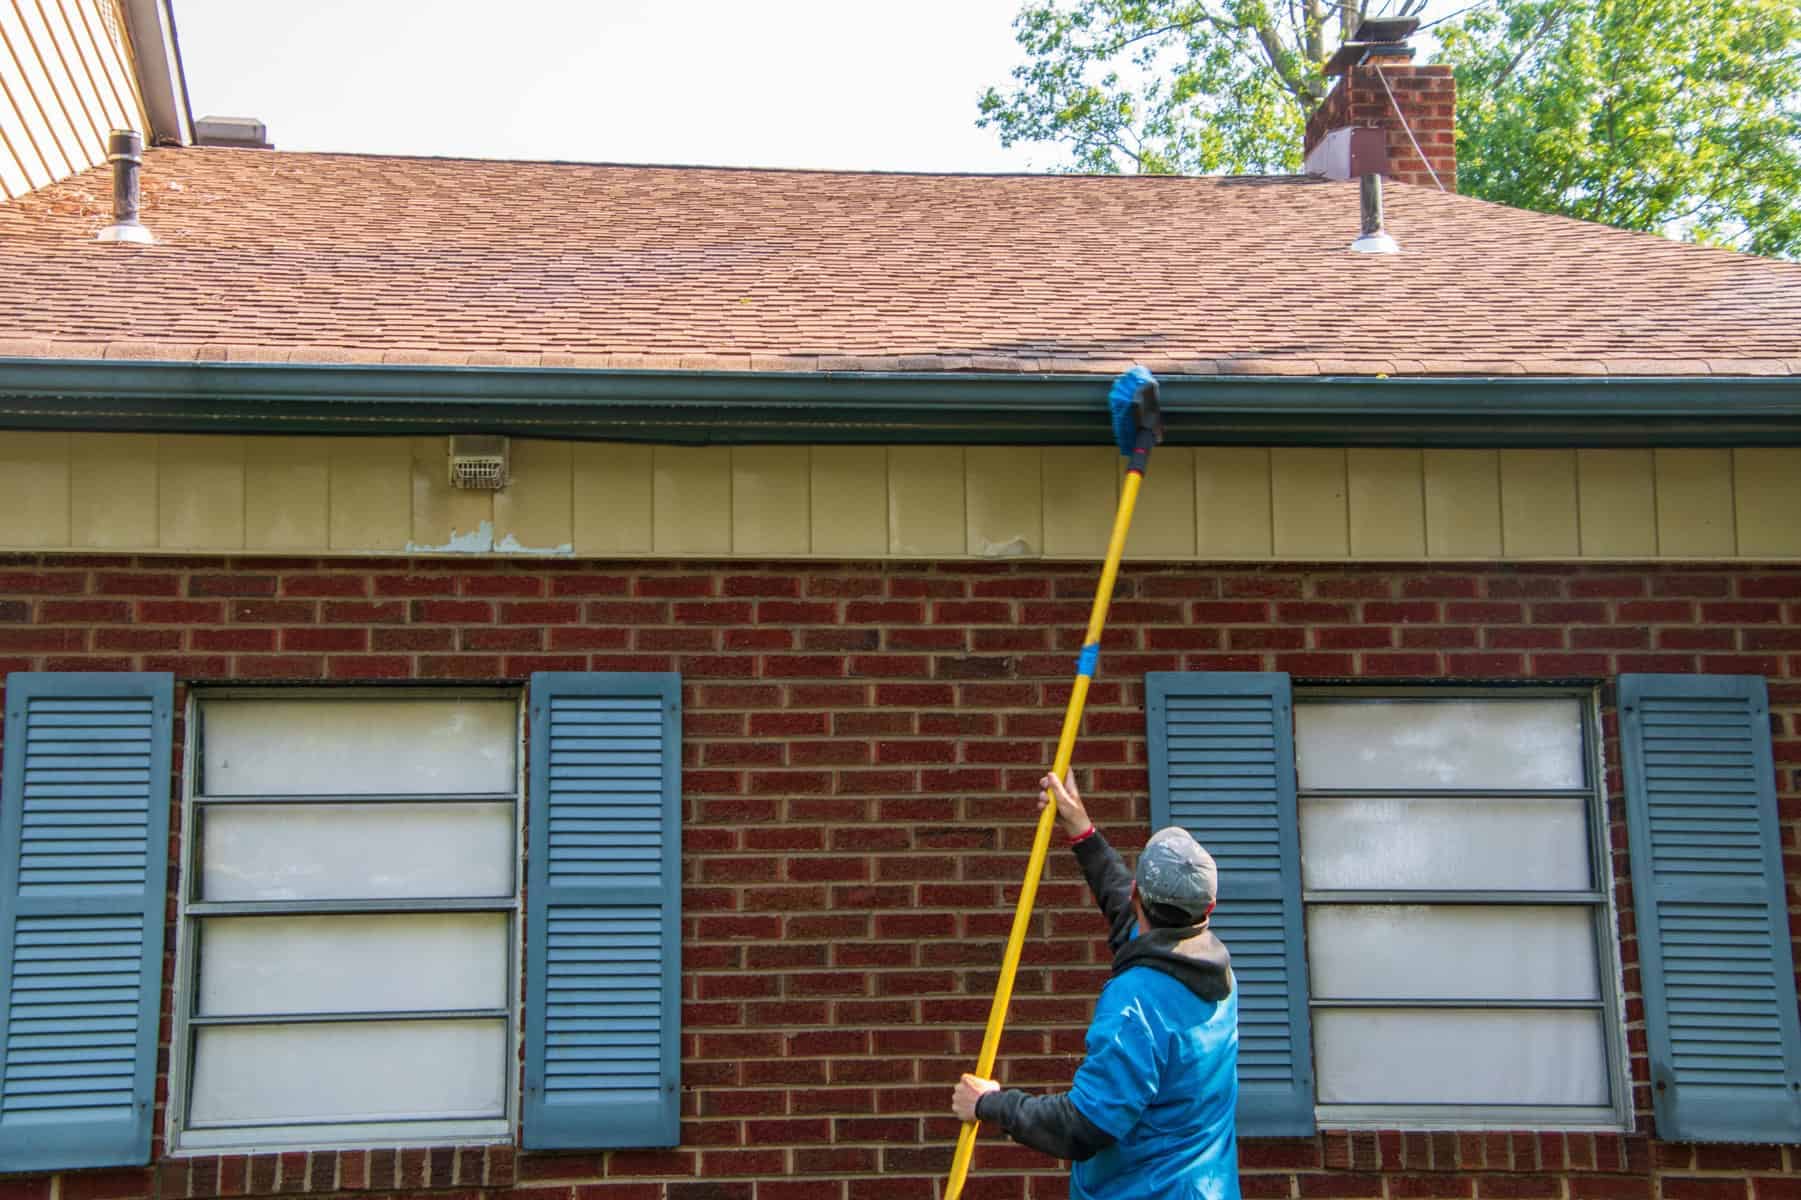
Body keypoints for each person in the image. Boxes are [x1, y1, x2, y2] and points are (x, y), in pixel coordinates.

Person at [951, 771, 1239, 1200]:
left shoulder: (1135, 1005)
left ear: (1140, 895)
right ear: (1208, 908)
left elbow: (1086, 1125)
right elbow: (1129, 914)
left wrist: (991, 1104)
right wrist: (1080, 829)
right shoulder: (1216, 972)